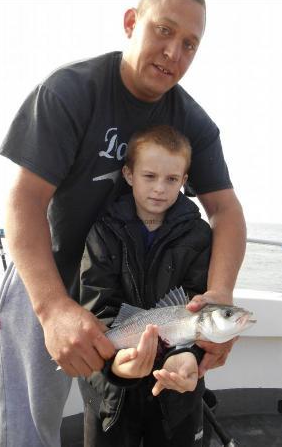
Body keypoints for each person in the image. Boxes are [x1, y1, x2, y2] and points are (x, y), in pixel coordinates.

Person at [0, 0, 246, 446]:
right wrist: (52, 309)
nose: (174, 53)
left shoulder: (194, 124)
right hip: (46, 273)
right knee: (29, 432)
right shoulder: (70, 92)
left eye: (190, 44)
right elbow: (23, 201)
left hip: (128, 292)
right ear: (132, 22)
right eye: (165, 31)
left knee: (116, 413)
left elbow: (226, 211)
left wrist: (220, 297)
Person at [79, 124, 212, 446]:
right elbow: (97, 305)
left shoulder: (201, 235)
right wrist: (116, 367)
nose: (159, 189)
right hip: (112, 393)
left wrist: (189, 354)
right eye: (149, 176)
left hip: (176, 388)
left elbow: (197, 308)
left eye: (171, 179)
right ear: (128, 174)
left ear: (184, 181)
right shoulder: (101, 230)